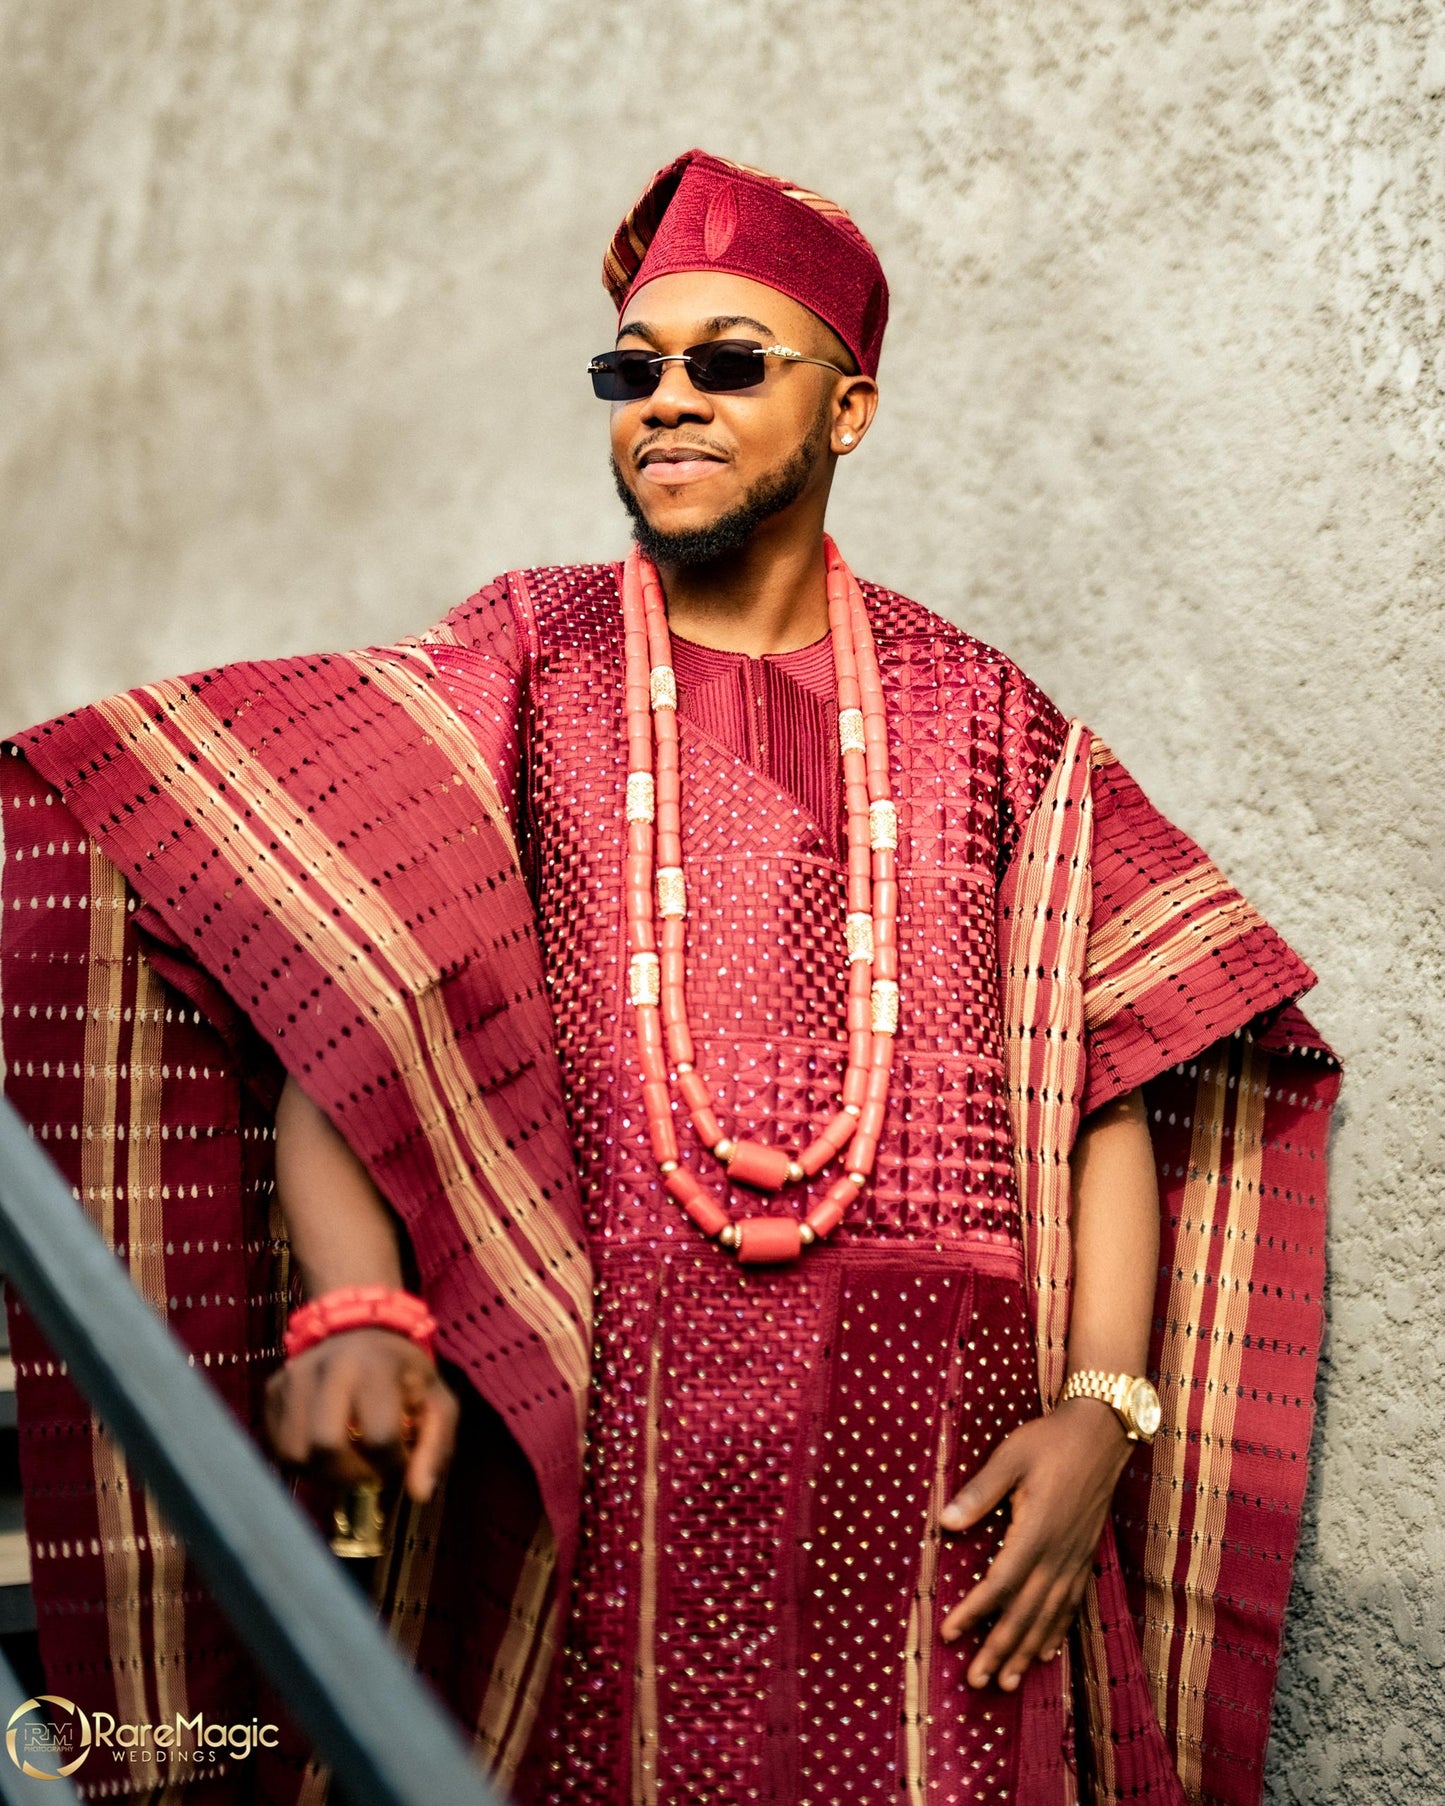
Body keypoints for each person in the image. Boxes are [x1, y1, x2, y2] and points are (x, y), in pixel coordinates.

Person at [0, 150, 1338, 1806]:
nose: (667, 400)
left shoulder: (982, 709)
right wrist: (356, 1305)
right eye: (631, 370)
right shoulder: (518, 653)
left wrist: (1103, 1410)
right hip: (591, 1441)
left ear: (846, 411)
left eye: (726, 361)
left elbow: (1105, 1069)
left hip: (931, 1484)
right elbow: (355, 979)